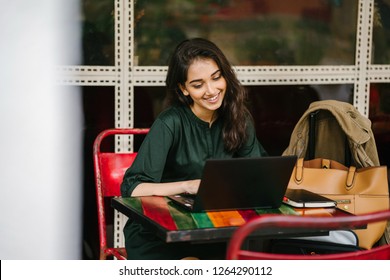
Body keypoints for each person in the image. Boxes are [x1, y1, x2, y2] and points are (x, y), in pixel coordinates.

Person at [121, 38, 268, 259]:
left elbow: (257, 173)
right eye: (198, 85)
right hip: (161, 234)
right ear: (184, 89)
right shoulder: (170, 122)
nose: (211, 90)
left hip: (216, 229)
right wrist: (188, 186)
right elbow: (132, 188)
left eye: (216, 78)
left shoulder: (239, 118)